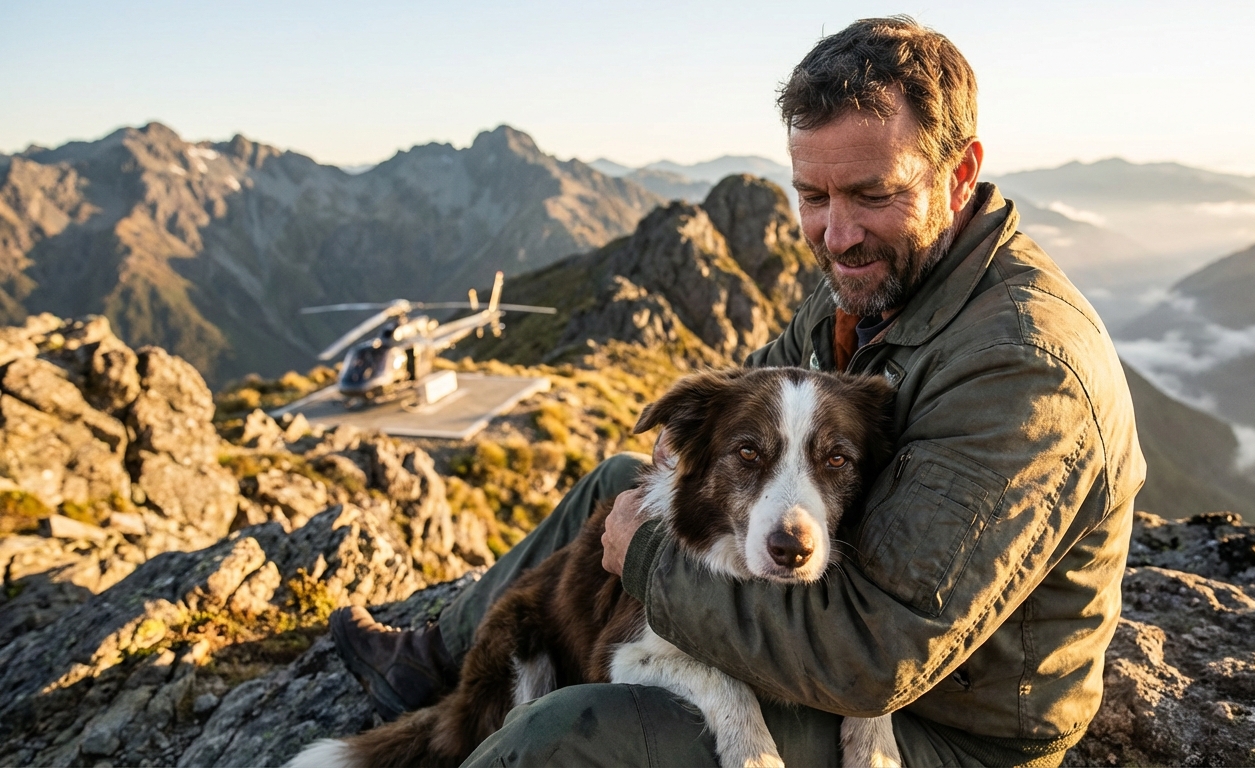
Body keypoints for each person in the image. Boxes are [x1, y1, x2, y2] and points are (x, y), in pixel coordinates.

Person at [330, 16, 1145, 767]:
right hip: (847, 628)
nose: (836, 232)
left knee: (557, 737)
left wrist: (646, 558)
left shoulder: (1024, 371)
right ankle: (438, 662)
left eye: (872, 193)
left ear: (959, 173)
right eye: (813, 195)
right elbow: (747, 395)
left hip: (947, 722)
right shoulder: (876, 278)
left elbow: (872, 660)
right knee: (619, 483)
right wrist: (687, 456)